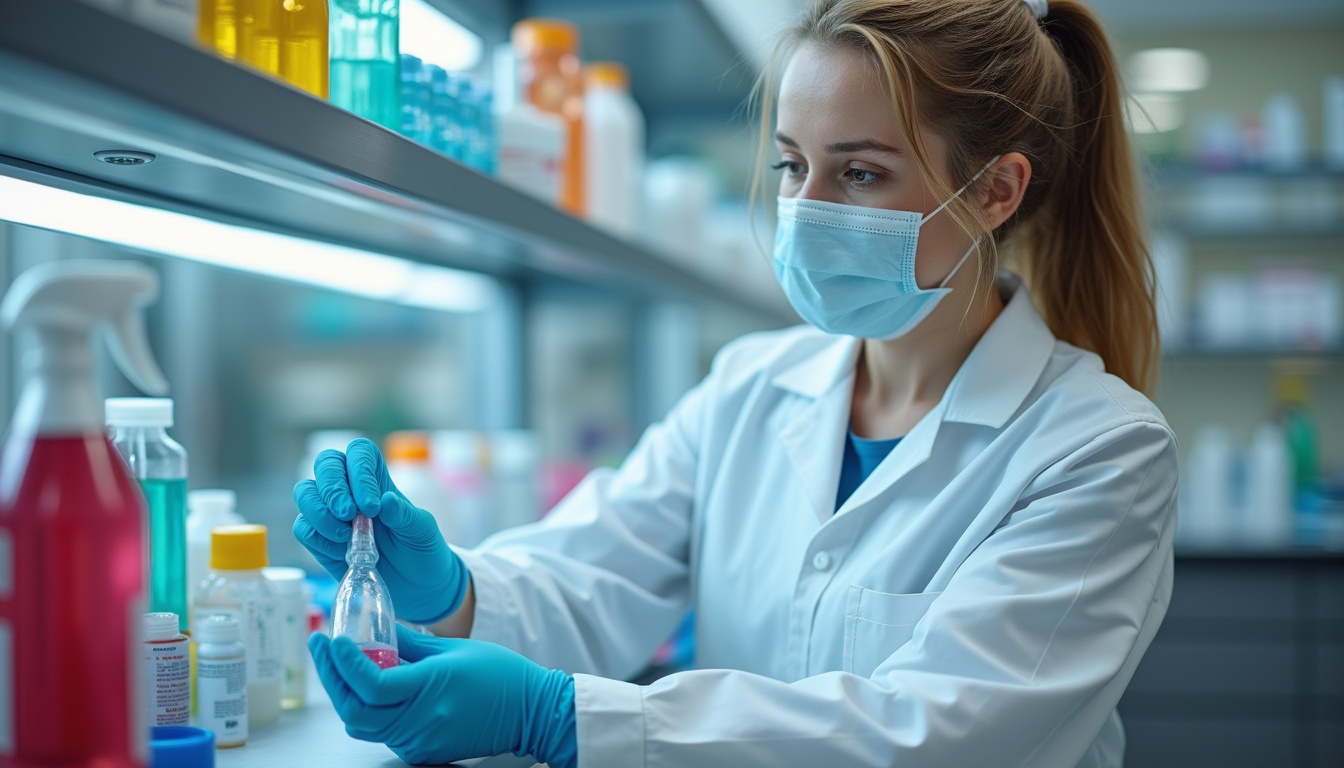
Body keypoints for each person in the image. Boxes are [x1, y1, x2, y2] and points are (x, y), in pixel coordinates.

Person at [294, 0, 1177, 766]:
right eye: (793, 165)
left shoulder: (1098, 451)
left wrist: (562, 718)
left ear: (995, 192)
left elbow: (931, 736)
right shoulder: (751, 386)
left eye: (860, 173)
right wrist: (452, 592)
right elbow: (599, 575)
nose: (807, 207)